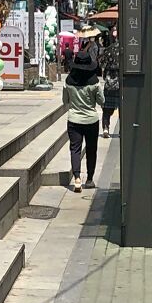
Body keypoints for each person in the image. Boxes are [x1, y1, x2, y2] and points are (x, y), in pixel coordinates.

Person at [63, 45, 104, 192]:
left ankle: (77, 178)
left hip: (74, 119)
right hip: (91, 120)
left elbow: (65, 101)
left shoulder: (68, 80)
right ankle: (90, 179)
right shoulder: (94, 81)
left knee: (75, 149)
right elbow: (102, 101)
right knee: (91, 149)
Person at [100, 31, 120, 138]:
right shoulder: (126, 49)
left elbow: (101, 63)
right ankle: (123, 129)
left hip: (109, 83)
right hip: (122, 82)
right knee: (123, 108)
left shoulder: (109, 49)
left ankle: (106, 128)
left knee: (107, 108)